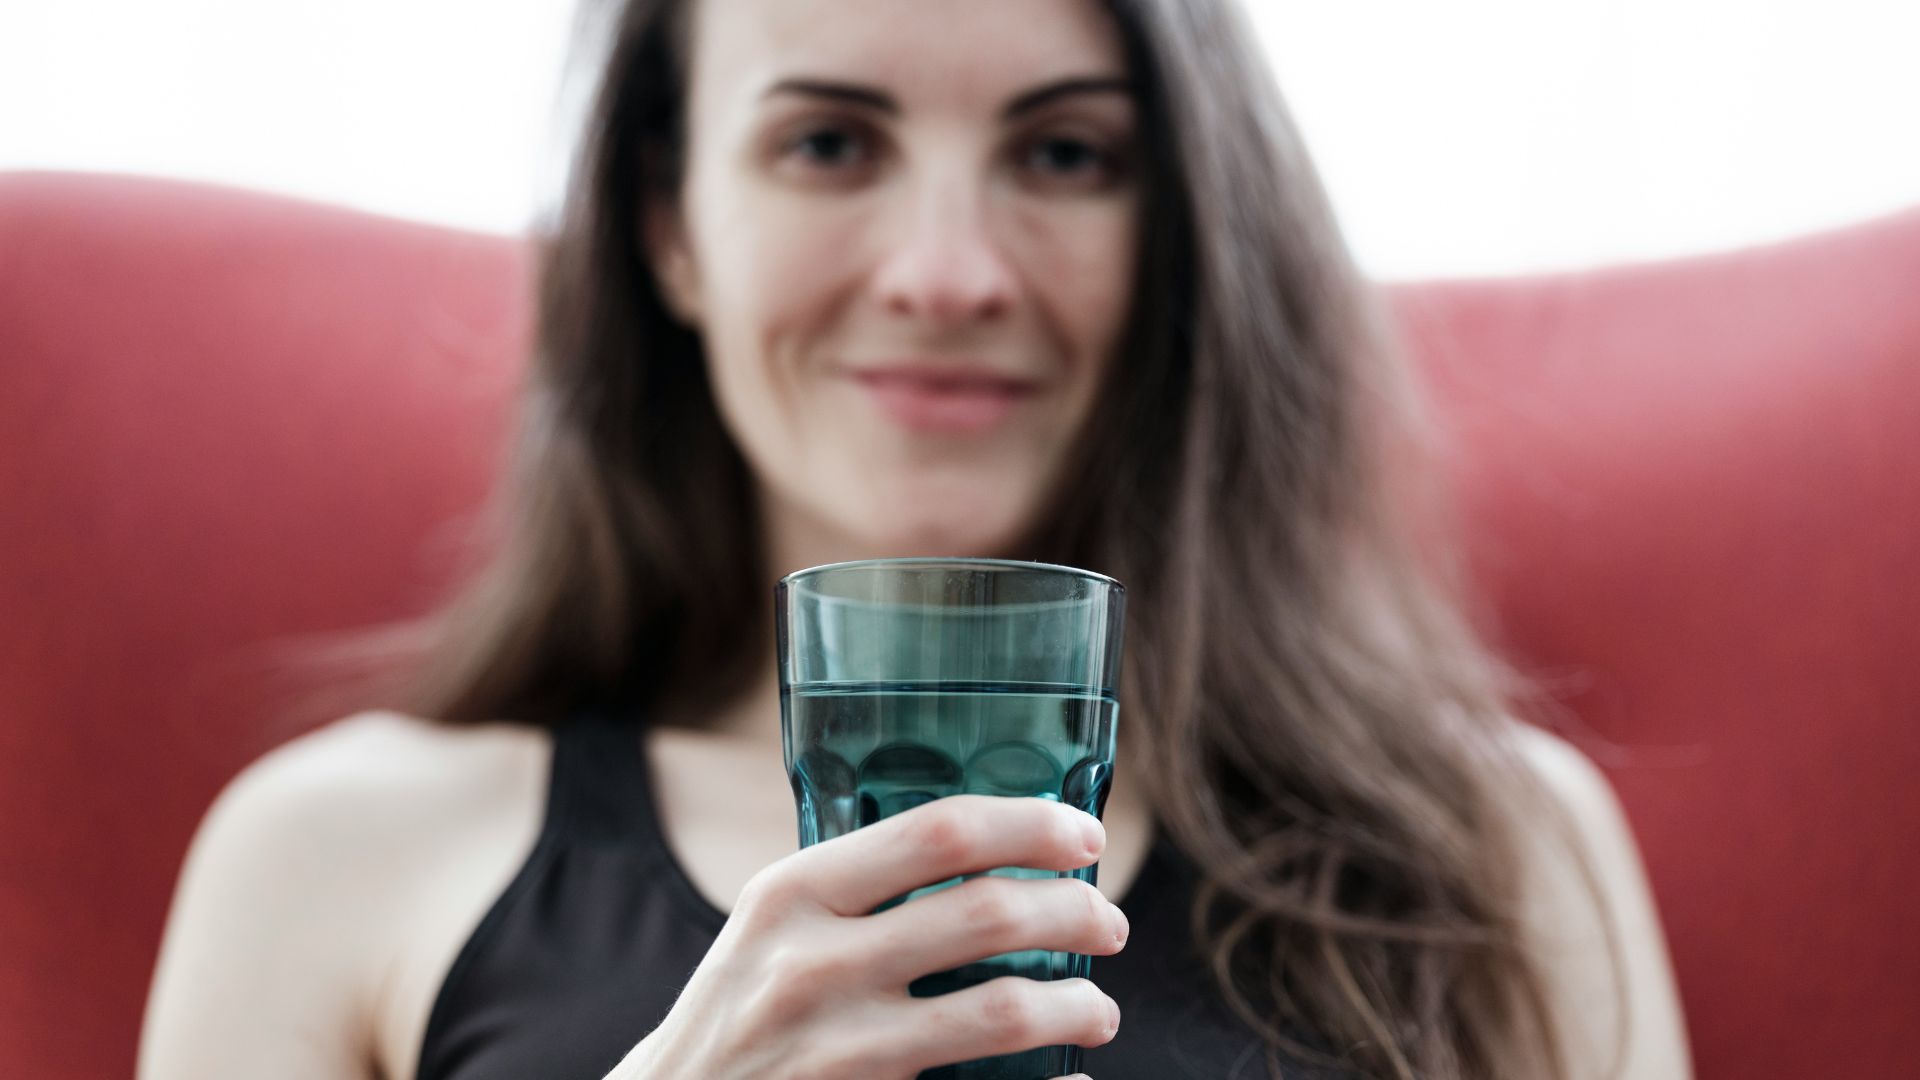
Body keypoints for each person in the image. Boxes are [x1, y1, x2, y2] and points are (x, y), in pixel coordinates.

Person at [137, 0, 1693, 1078]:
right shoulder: (334, 853)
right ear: (670, 225)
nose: (948, 273)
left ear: (1182, 239)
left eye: (1064, 153)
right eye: (829, 144)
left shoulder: (1488, 844)